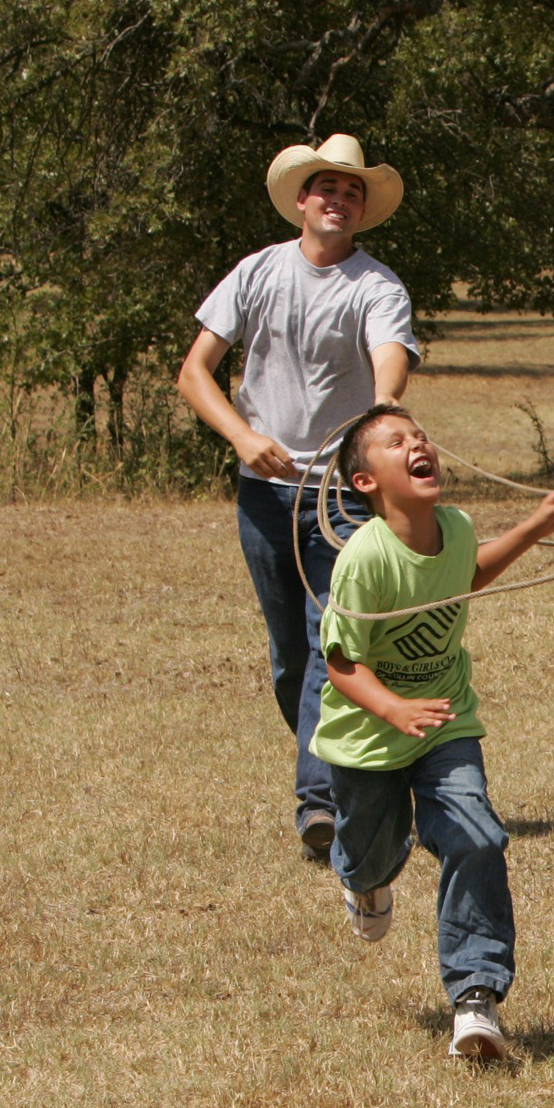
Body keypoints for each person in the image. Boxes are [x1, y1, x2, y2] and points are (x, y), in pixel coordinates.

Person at [312, 405, 554, 1061]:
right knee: (373, 854)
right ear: (365, 482)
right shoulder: (365, 559)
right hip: (368, 738)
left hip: (444, 723)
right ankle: (362, 876)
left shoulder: (456, 527)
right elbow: (342, 663)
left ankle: (475, 996)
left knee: (477, 836)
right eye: (396, 442)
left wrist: (538, 524)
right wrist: (392, 710)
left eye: (420, 436)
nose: (418, 444)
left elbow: (467, 573)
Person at [177, 134, 422, 862]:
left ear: (361, 210)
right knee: (290, 657)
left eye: (352, 192)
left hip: (338, 497)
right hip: (263, 494)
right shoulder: (256, 272)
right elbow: (195, 372)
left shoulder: (377, 286)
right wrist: (242, 437)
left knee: (327, 643)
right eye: (328, 188)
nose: (339, 200)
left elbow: (390, 357)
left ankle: (319, 802)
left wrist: (383, 406)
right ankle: (347, 776)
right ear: (302, 200)